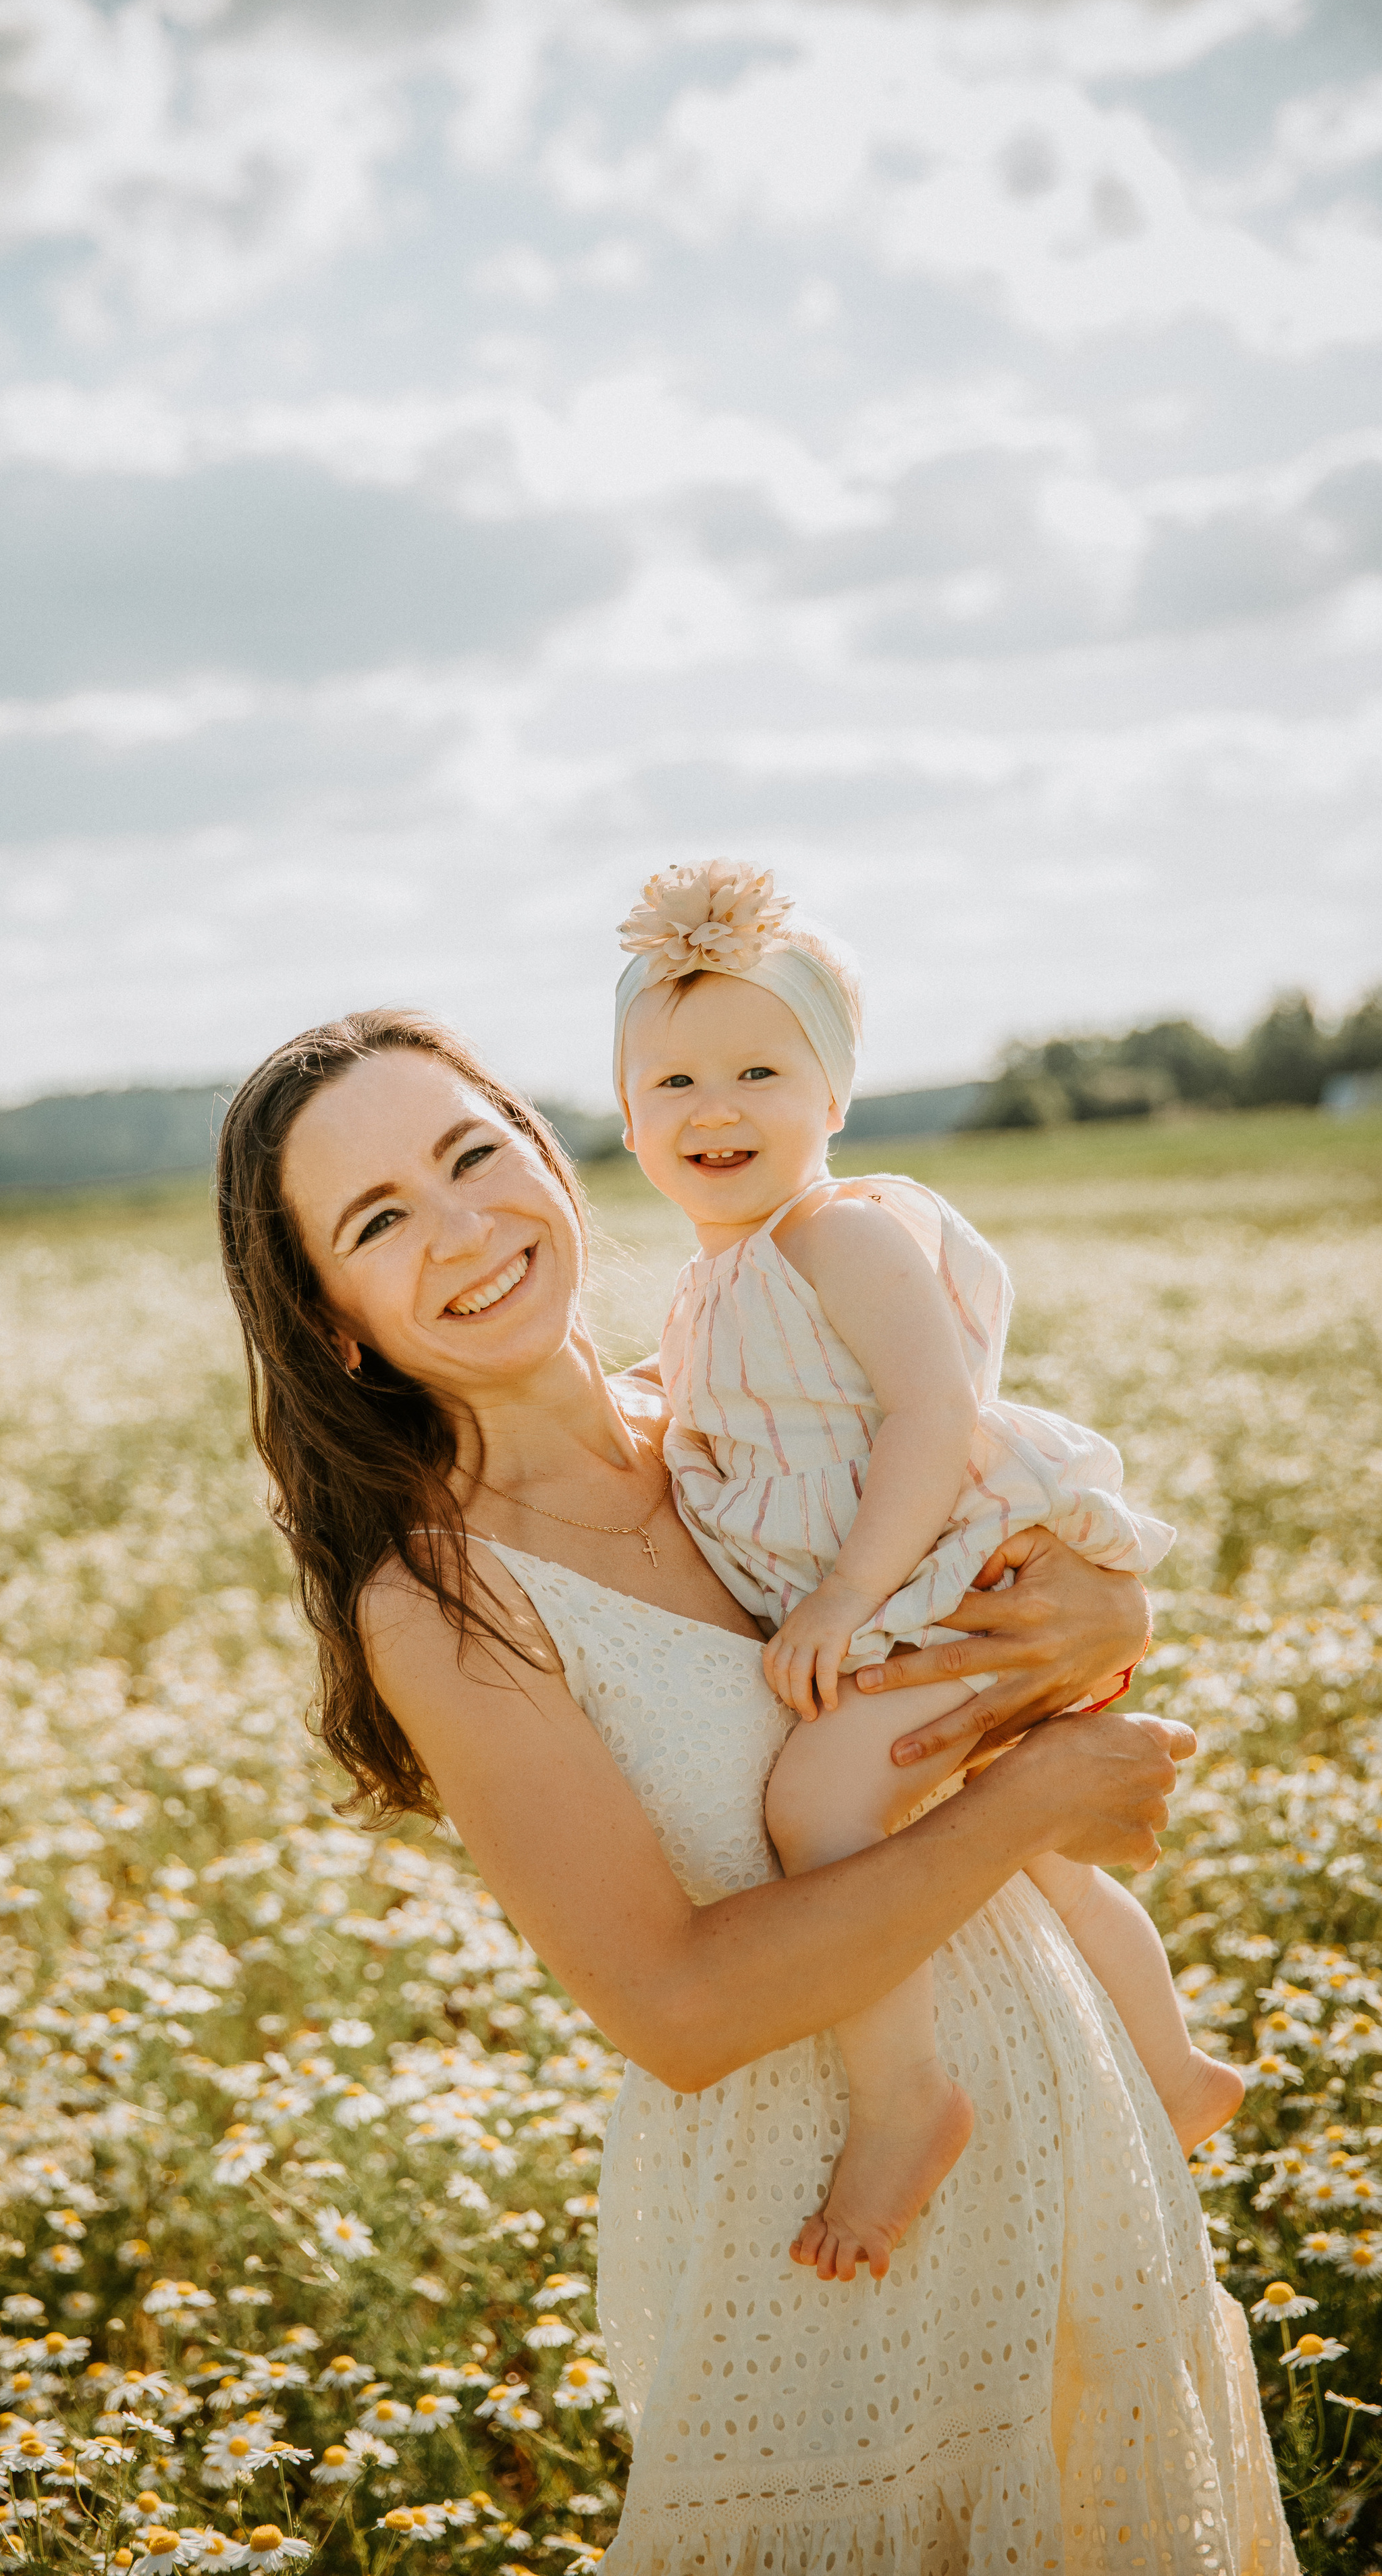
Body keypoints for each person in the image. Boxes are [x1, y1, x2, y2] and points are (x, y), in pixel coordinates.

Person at [216, 1007, 1296, 2576]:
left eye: (473, 1154)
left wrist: (1103, 1626)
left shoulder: (746, 1421)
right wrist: (1038, 1791)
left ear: (550, 1158)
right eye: (380, 1221)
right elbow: (676, 2007)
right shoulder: (441, 1602)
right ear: (331, 1322)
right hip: (823, 2239)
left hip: (1072, 2155)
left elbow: (979, 1566)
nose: (461, 1227)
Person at [612, 860, 1244, 2284]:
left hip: (927, 1582)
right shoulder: (713, 1273)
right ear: (629, 1115)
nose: (713, 1109)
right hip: (887, 1595)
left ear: (830, 1097)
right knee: (1004, 1835)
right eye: (670, 1084)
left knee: (821, 1796)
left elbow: (928, 1412)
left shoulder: (840, 1231)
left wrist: (841, 1597)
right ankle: (1170, 2058)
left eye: (759, 1070)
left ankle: (906, 2099)